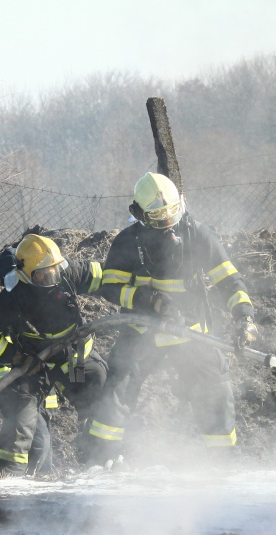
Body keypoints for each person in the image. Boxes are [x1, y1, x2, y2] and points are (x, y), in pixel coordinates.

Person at [85, 172, 257, 463]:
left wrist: (244, 317)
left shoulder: (198, 235)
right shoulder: (128, 242)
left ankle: (224, 461)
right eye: (157, 216)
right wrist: (148, 300)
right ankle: (101, 460)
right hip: (143, 331)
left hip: (191, 333)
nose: (167, 222)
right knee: (117, 390)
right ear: (139, 214)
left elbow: (229, 279)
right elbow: (111, 287)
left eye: (171, 212)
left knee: (214, 391)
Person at [0, 233, 107, 477]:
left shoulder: (67, 274)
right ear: (26, 275)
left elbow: (107, 275)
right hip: (31, 365)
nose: (52, 279)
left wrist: (137, 288)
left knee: (96, 381)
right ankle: (8, 481)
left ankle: (97, 457)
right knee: (24, 423)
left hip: (71, 360)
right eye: (43, 275)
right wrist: (16, 357)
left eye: (55, 271)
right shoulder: (12, 299)